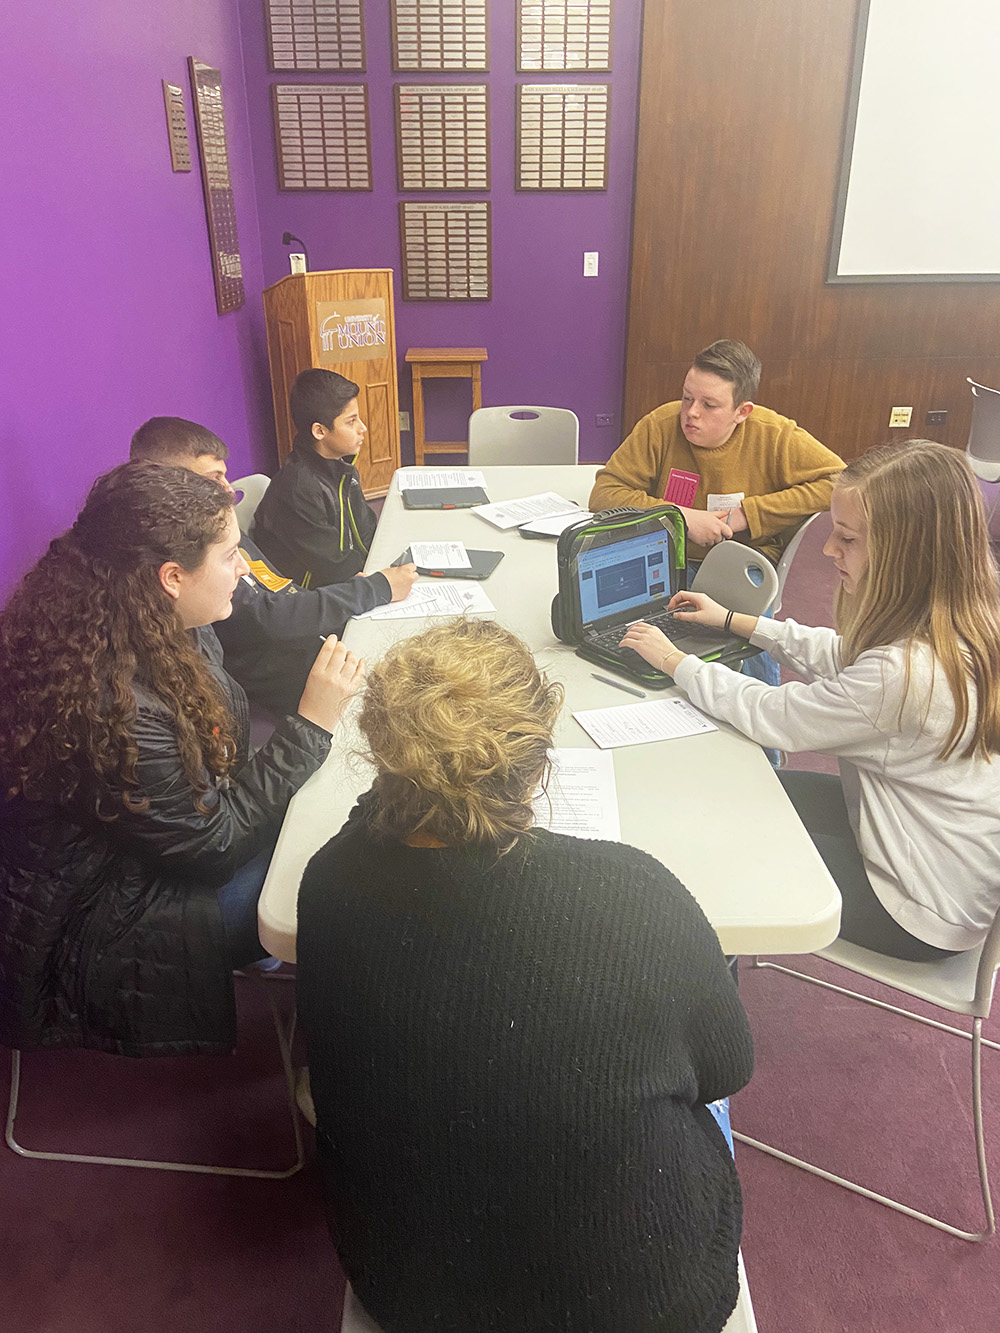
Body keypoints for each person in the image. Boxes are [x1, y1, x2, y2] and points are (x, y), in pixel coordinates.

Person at [296, 619, 754, 1333]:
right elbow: (728, 1066)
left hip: (409, 1294)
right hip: (645, 1308)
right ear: (537, 767)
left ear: (386, 757)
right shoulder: (637, 894)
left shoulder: (327, 882)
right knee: (700, 1095)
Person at [0, 463, 363, 1057]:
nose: (243, 569)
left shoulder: (162, 623)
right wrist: (310, 726)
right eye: (230, 555)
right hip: (95, 916)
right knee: (328, 861)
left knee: (319, 816)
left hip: (141, 853)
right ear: (172, 576)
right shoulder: (112, 704)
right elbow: (213, 847)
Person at [621, 439, 1000, 962]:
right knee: (745, 794)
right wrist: (739, 622)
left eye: (845, 539)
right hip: (946, 862)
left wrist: (672, 660)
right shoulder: (963, 621)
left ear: (905, 554)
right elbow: (845, 654)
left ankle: (707, 981)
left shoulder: (904, 675)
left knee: (709, 853)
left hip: (917, 906)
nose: (828, 551)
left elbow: (776, 717)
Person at [129, 417, 415, 715]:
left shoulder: (221, 533)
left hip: (300, 641)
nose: (227, 491)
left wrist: (351, 592)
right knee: (396, 693)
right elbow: (269, 617)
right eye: (213, 479)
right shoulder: (193, 563)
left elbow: (278, 589)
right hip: (273, 673)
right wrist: (371, 589)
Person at [590, 338, 845, 566]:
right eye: (687, 398)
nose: (691, 413)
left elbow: (842, 483)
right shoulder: (659, 425)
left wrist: (749, 514)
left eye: (709, 405)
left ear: (742, 412)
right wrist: (680, 517)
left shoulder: (774, 433)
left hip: (743, 560)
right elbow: (605, 494)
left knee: (725, 619)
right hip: (662, 557)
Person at [252, 368, 382, 589]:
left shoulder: (342, 469)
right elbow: (333, 569)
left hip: (342, 581)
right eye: (351, 422)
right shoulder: (298, 489)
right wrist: (381, 578)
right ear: (319, 431)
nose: (363, 428)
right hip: (311, 598)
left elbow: (366, 531)